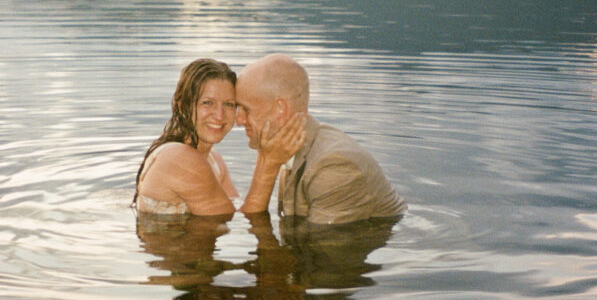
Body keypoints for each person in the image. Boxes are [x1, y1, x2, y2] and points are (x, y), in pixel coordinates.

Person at [235, 53, 406, 225]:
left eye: (246, 109)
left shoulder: (334, 166)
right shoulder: (287, 149)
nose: (239, 120)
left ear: (281, 108)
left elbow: (319, 249)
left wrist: (268, 165)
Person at [133, 58, 306, 223]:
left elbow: (237, 210)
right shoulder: (181, 159)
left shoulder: (214, 160)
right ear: (182, 105)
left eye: (229, 104)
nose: (219, 115)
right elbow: (243, 223)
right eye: (208, 103)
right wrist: (269, 163)